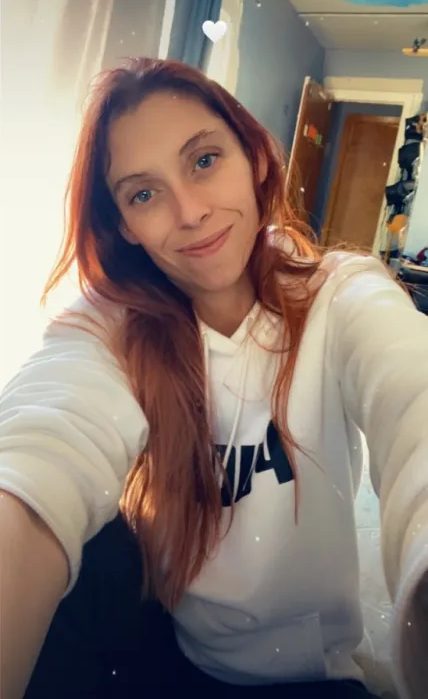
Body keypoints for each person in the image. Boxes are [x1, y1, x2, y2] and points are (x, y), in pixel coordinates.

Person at [0, 57, 427, 699]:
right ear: (125, 226)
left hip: (307, 676)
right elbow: (44, 442)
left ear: (253, 157)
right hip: (163, 646)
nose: (191, 212)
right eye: (144, 194)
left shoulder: (340, 295)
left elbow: (412, 391)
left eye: (203, 160)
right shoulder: (113, 324)